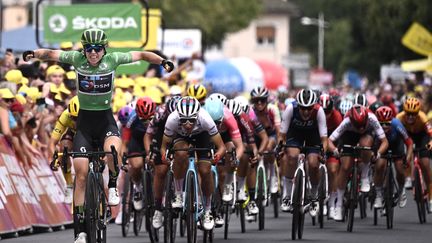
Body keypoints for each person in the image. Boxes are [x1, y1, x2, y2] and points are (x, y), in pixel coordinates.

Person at [23, 28, 174, 243]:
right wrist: (33, 54)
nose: (93, 53)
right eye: (88, 49)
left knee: (112, 151)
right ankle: (81, 230)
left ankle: (112, 186)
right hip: (84, 124)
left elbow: (141, 55)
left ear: (104, 49)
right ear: (83, 50)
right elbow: (51, 54)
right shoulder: (76, 58)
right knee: (81, 176)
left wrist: (162, 61)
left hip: (105, 120)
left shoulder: (112, 60)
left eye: (97, 49)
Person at [160, 96, 226, 231]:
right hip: (181, 137)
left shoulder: (205, 118)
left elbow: (221, 147)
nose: (188, 124)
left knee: (205, 170)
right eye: (183, 120)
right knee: (180, 154)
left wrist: (217, 156)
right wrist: (164, 156)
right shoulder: (172, 119)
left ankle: (207, 211)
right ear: (179, 117)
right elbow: (164, 146)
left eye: (192, 120)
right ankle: (178, 195)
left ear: (197, 116)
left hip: (202, 136)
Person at [328, 105, 389, 221]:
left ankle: (365, 175)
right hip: (349, 136)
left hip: (367, 135)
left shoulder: (372, 118)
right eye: (358, 126)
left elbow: (384, 142)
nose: (360, 128)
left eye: (362, 125)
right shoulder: (346, 122)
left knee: (366, 145)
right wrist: (334, 150)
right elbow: (330, 141)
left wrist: (379, 154)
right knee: (345, 167)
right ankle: (339, 204)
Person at [277, 89, 328, 216]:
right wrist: (281, 148)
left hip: (313, 136)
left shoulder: (319, 111)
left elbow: (324, 139)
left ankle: (314, 197)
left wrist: (323, 152)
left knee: (313, 164)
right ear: (298, 105)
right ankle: (287, 196)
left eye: (309, 108)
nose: (306, 112)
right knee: (292, 157)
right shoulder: (290, 109)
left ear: (313, 106)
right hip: (295, 135)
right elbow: (282, 135)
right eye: (303, 108)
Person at [396, 97, 432, 211]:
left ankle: (431, 197)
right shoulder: (399, 118)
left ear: (418, 113)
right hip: (407, 135)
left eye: (413, 114)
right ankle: (408, 177)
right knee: (406, 153)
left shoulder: (423, 117)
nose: (411, 117)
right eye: (408, 114)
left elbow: (430, 133)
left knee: (425, 164)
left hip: (422, 136)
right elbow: (397, 136)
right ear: (404, 112)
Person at [48, 96, 80, 204]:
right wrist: (55, 158)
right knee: (64, 148)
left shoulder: (91, 115)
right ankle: (69, 185)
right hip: (72, 133)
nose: (75, 121)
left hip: (88, 132)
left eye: (78, 118)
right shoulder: (65, 116)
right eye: (73, 118)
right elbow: (52, 142)